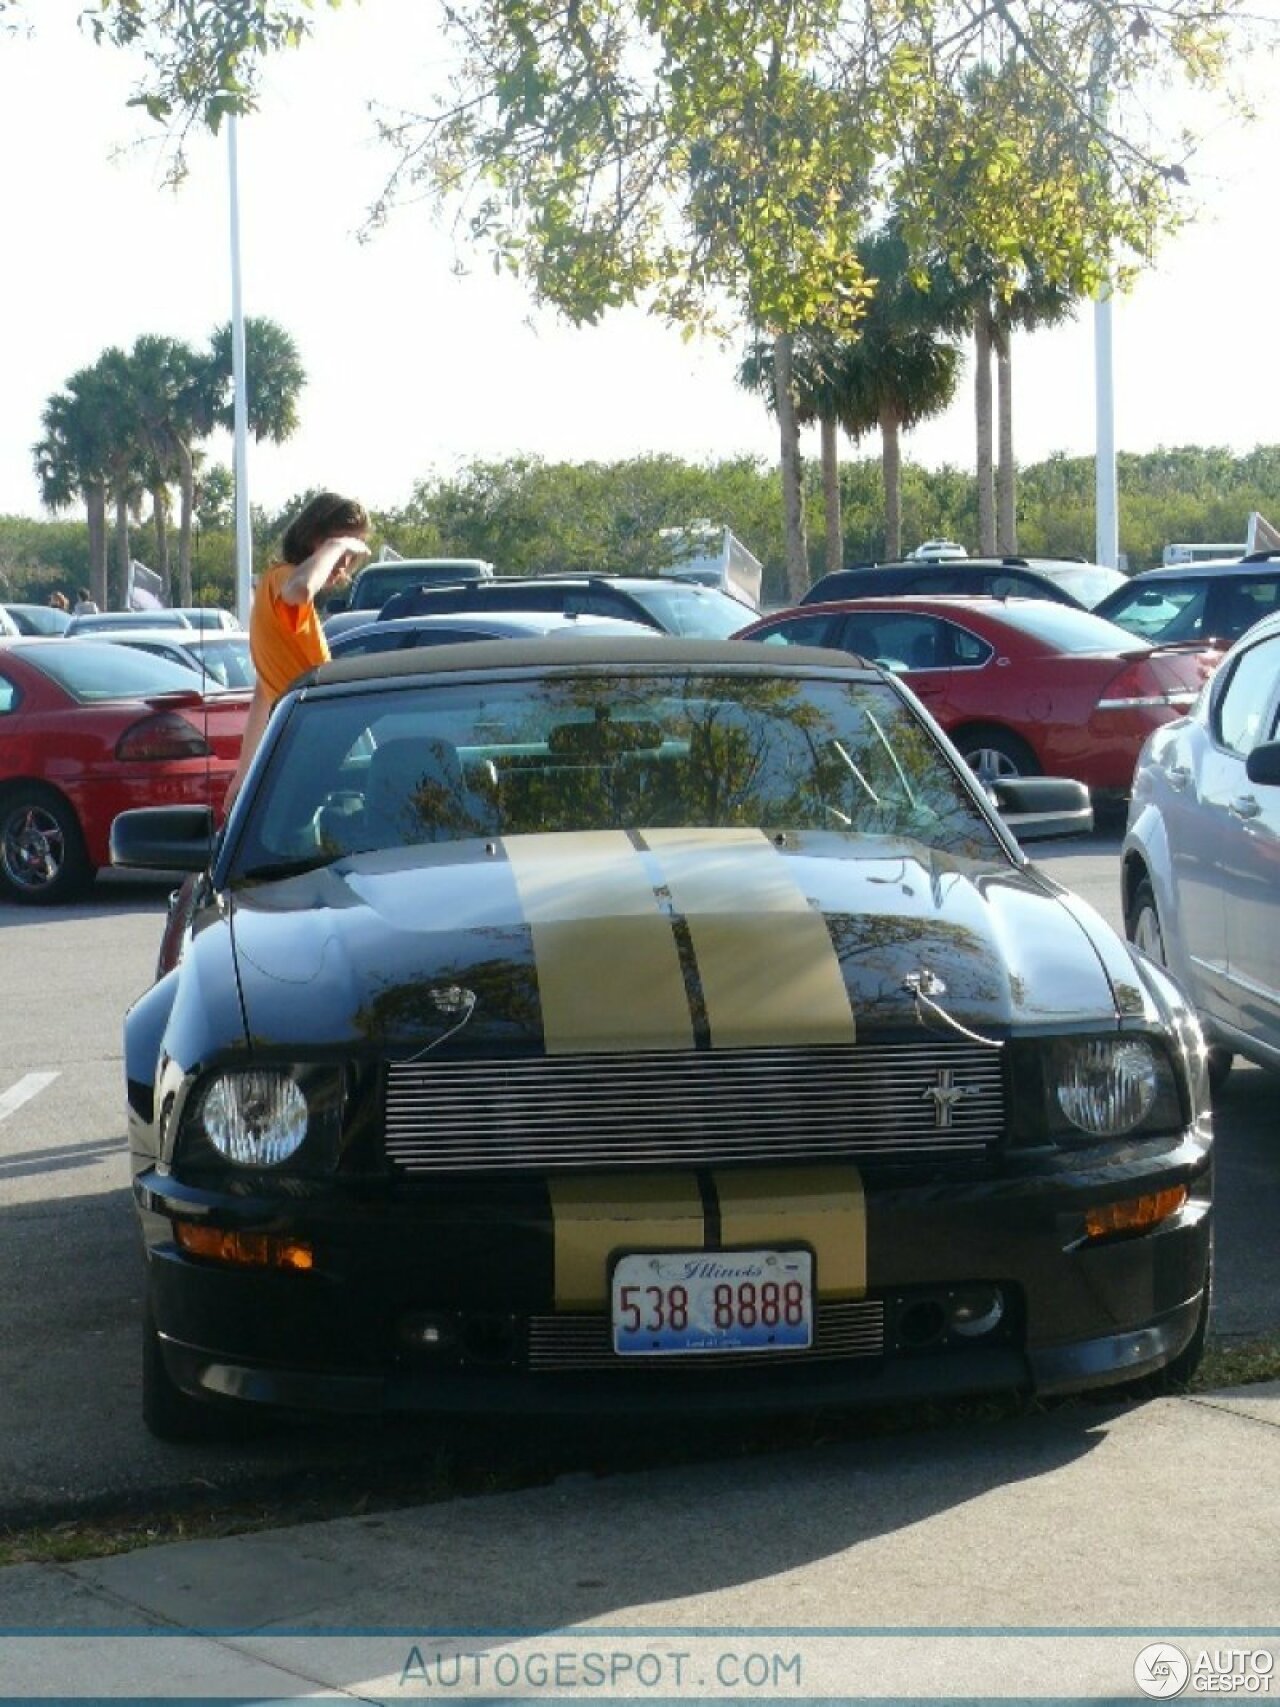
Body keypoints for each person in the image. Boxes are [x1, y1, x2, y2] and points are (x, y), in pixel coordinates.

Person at [223, 491, 370, 811]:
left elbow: (264, 694)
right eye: (337, 546)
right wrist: (337, 546)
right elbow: (299, 590)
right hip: (307, 755)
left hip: (308, 755)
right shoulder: (283, 579)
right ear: (312, 537)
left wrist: (242, 776)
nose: (343, 563)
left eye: (350, 553)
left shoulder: (276, 592)